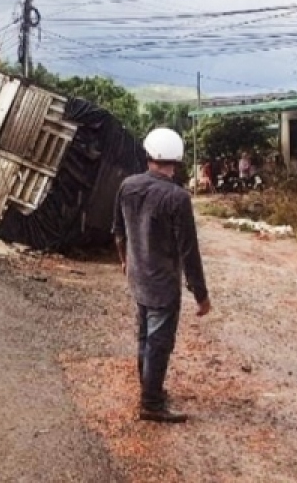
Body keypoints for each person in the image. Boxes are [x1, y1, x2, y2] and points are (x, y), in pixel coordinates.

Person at [113, 127, 212, 423]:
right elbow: (189, 252)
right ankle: (152, 403)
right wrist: (201, 295)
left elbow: (118, 231)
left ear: (148, 154)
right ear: (177, 159)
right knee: (158, 342)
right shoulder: (177, 197)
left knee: (145, 336)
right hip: (163, 285)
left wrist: (124, 262)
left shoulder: (127, 185)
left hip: (138, 277)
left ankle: (150, 389)